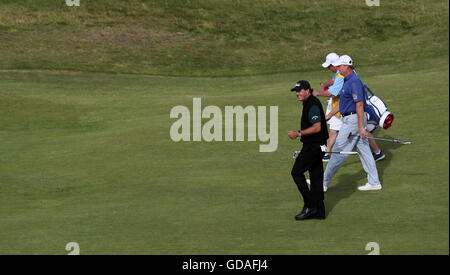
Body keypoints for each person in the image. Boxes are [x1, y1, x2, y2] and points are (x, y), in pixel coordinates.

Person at [322, 55, 382, 192]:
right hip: (349, 119)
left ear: (346, 67)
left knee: (338, 150)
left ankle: (323, 182)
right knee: (365, 151)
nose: (338, 68)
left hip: (353, 121)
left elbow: (359, 105)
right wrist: (329, 115)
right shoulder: (346, 81)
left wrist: (361, 127)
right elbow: (343, 103)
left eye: (340, 66)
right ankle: (374, 182)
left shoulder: (354, 81)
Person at [288, 80, 329, 220]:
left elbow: (317, 127)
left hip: (314, 146)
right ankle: (319, 211)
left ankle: (310, 205)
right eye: (296, 92)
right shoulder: (310, 102)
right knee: (316, 177)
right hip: (319, 145)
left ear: (308, 90)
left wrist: (298, 133)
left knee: (296, 172)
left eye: (299, 91)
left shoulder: (312, 104)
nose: (297, 94)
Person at [313, 53, 345, 162]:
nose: (328, 68)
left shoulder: (341, 75)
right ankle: (326, 154)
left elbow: (332, 93)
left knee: (359, 132)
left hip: (343, 107)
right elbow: (332, 80)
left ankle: (376, 151)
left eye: (328, 66)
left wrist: (317, 93)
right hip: (337, 106)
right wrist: (325, 86)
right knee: (333, 131)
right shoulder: (339, 71)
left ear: (333, 65)